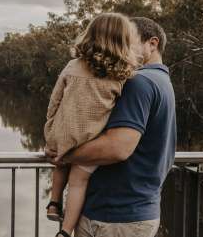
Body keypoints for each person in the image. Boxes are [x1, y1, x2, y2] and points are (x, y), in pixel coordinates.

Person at [47, 17, 176, 237]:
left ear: (152, 44)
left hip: (115, 217)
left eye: (129, 40)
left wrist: (65, 154)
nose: (123, 47)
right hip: (136, 210)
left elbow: (118, 148)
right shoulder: (162, 81)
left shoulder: (138, 82)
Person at [44, 13, 140, 237]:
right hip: (91, 140)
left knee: (60, 163)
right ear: (122, 40)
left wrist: (50, 128)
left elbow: (55, 99)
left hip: (63, 132)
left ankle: (54, 202)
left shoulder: (72, 66)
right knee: (78, 181)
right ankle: (66, 231)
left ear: (90, 35)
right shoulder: (123, 75)